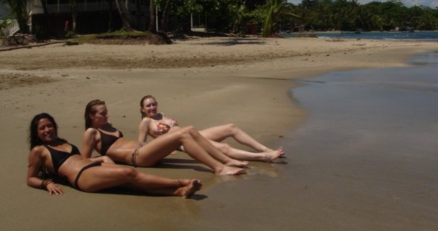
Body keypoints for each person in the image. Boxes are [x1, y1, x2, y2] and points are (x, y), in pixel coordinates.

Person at [27, 113, 202, 198]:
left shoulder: (63, 142)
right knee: (129, 174)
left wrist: (102, 159)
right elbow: (30, 178)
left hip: (92, 167)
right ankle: (181, 182)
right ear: (37, 133)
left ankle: (179, 192)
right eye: (42, 128)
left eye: (49, 125)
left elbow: (81, 159)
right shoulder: (39, 150)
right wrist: (46, 184)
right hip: (82, 177)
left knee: (130, 182)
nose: (47, 130)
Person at [81, 100, 247, 176]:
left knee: (189, 129)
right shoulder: (91, 133)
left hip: (143, 150)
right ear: (91, 115)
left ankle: (226, 160)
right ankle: (219, 168)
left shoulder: (108, 127)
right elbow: (84, 160)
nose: (107, 115)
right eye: (103, 113)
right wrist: (103, 157)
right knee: (183, 134)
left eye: (106, 111)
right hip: (137, 157)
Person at [138, 95, 285, 162]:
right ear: (142, 109)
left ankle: (265, 149)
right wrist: (168, 150)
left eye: (154, 104)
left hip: (194, 134)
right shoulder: (146, 121)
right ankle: (264, 157)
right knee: (225, 147)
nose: (152, 107)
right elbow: (142, 146)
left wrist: (173, 124)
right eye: (148, 106)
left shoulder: (161, 115)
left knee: (231, 127)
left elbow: (173, 130)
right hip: (185, 142)